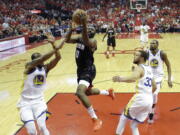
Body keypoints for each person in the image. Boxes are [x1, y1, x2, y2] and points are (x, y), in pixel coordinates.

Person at [65, 17, 115, 131]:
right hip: (81, 70)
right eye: (88, 29)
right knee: (87, 93)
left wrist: (84, 24)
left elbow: (87, 41)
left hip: (89, 70)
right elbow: (67, 40)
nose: (89, 30)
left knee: (79, 92)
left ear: (93, 33)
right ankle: (108, 92)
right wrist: (70, 30)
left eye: (91, 30)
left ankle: (95, 119)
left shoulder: (92, 42)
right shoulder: (79, 38)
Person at [17, 36, 65, 135]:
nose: (41, 61)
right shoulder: (29, 67)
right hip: (25, 103)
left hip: (39, 101)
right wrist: (57, 47)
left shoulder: (45, 68)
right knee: (32, 131)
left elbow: (58, 58)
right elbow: (43, 58)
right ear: (34, 61)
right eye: (38, 59)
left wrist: (54, 44)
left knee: (42, 127)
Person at [113, 50, 157, 135]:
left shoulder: (139, 68)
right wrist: (147, 94)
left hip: (140, 98)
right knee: (134, 125)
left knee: (123, 117)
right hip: (149, 100)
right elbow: (154, 86)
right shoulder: (149, 69)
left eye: (136, 55)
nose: (134, 56)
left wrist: (119, 78)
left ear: (142, 58)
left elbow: (133, 78)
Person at [147, 40, 173, 123]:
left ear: (157, 45)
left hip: (159, 77)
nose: (151, 44)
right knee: (147, 94)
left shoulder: (162, 54)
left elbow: (168, 66)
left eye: (153, 43)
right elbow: (141, 62)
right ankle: (148, 108)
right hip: (149, 76)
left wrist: (169, 79)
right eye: (150, 43)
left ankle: (151, 111)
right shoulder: (147, 52)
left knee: (154, 94)